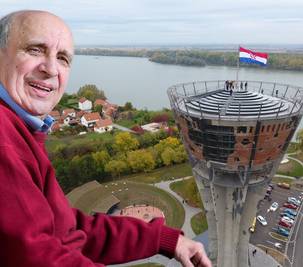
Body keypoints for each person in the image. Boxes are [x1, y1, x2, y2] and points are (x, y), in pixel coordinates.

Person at [0, 10, 211, 267]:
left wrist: (164, 239)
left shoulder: (21, 131)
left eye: (63, 58)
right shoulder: (5, 138)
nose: (51, 68)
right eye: (34, 50)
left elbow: (68, 231)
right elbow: (35, 257)